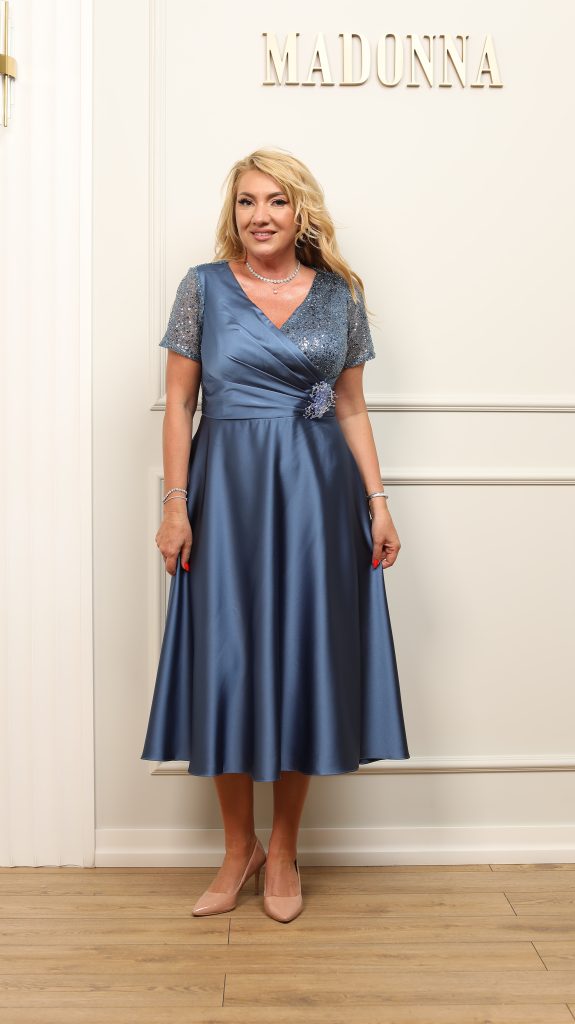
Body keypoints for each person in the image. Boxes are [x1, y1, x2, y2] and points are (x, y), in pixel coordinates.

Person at [141, 147, 410, 923]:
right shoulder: (201, 287)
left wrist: (378, 502)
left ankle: (284, 849)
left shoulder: (339, 294)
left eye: (276, 201)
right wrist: (175, 504)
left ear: (301, 212)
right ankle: (238, 850)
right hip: (225, 494)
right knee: (225, 661)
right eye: (246, 202)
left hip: (317, 497)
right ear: (233, 213)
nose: (260, 216)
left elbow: (351, 405)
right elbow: (179, 404)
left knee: (302, 660)